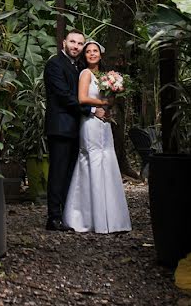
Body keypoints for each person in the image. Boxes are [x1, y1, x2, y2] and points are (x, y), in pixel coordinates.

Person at [62, 40, 131, 233]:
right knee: (91, 160)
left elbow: (111, 99)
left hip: (104, 123)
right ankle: (85, 217)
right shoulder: (85, 74)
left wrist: (110, 103)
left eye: (95, 51)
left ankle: (112, 218)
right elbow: (82, 98)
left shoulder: (105, 76)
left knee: (106, 160)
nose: (92, 54)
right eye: (88, 52)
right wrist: (102, 103)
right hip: (90, 124)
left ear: (100, 54)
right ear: (85, 56)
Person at [43, 30, 100, 231]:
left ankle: (66, 214)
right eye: (72, 42)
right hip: (60, 126)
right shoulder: (54, 64)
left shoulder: (79, 66)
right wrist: (92, 109)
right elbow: (63, 95)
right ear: (64, 42)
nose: (76, 46)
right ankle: (54, 217)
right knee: (58, 172)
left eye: (79, 43)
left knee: (70, 173)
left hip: (77, 127)